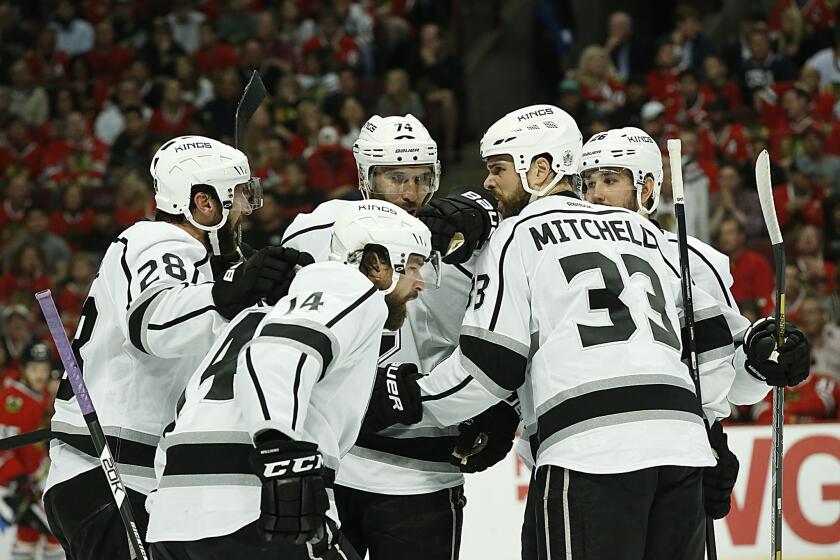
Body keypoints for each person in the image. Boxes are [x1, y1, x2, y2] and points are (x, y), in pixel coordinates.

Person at [410, 105, 744, 560]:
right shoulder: (648, 233)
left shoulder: (518, 234)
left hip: (590, 456)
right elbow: (713, 354)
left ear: (540, 170)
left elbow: (491, 368)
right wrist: (708, 431)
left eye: (498, 170)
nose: (488, 184)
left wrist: (406, 399)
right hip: (683, 452)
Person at [43, 135, 309, 560]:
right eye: (240, 195)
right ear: (205, 204)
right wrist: (231, 292)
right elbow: (156, 323)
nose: (246, 208)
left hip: (138, 477)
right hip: (108, 475)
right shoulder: (159, 241)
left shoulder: (200, 262)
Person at [145, 199, 435, 559]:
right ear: (376, 263)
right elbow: (277, 354)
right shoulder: (347, 286)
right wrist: (283, 453)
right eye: (413, 266)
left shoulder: (259, 312)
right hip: (255, 505)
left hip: (174, 519)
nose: (421, 283)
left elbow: (188, 405)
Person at [281, 114, 503, 560]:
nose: (410, 193)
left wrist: (502, 409)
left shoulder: (470, 250)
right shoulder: (321, 230)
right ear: (365, 177)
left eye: (422, 178)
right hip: (336, 465)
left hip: (423, 475)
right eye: (396, 177)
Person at [577, 126, 811, 532]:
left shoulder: (694, 260)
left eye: (610, 180)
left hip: (679, 458)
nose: (595, 194)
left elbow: (732, 383)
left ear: (647, 187)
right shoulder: (561, 260)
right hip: (596, 457)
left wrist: (761, 361)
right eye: (588, 183)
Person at [0, 343, 63, 560]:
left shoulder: (43, 397)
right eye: (35, 369)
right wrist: (16, 477)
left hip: (38, 482)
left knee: (33, 537)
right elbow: (3, 448)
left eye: (44, 369)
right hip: (17, 485)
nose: (40, 375)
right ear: (24, 369)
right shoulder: (13, 400)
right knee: (53, 534)